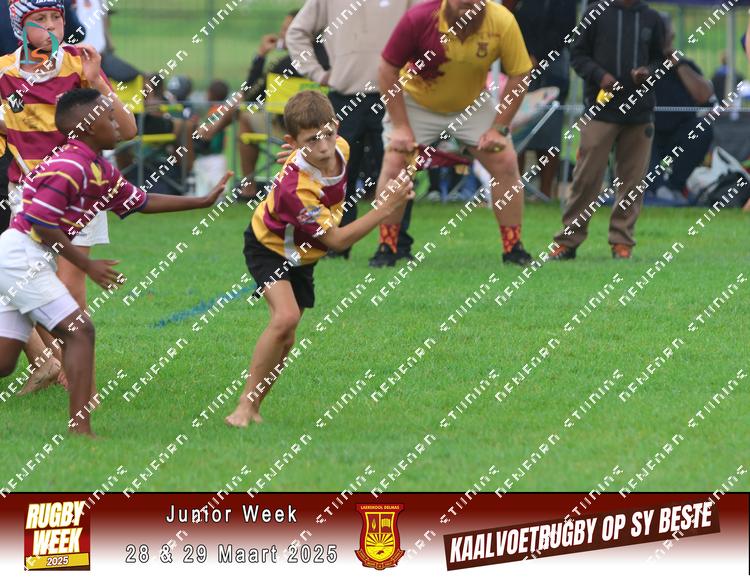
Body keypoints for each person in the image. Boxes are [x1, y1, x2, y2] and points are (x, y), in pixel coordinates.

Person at [0, 88, 232, 436]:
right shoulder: (68, 166)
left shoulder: (98, 168)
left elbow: (141, 201)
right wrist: (87, 265)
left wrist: (200, 201)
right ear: (88, 127)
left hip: (23, 257)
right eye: (110, 118)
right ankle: (82, 430)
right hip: (21, 257)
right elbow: (41, 222)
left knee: (4, 363)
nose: (119, 125)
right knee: (81, 331)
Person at [224, 91, 413, 428]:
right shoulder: (296, 189)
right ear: (292, 141)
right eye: (312, 140)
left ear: (336, 126)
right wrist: (385, 208)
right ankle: (243, 404)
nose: (324, 147)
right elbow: (337, 241)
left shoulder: (342, 148)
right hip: (270, 246)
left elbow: (323, 154)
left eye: (327, 134)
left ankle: (254, 407)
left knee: (288, 336)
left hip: (304, 255)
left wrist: (304, 151)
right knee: (285, 318)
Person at [0, 0, 137, 393]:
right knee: (22, 281)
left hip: (79, 192)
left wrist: (96, 82)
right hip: (27, 196)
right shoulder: (4, 72)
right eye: (39, 20)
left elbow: (128, 130)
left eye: (56, 18)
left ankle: (82, 384)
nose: (50, 27)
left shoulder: (81, 63)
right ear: (20, 28)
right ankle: (53, 360)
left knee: (70, 285)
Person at [365, 0, 535, 268]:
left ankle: (513, 248)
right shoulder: (419, 18)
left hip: (471, 104)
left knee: (505, 161)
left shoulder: (502, 20)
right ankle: (386, 247)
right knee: (396, 162)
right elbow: (387, 68)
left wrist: (499, 128)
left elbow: (520, 73)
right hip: (417, 101)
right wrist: (400, 126)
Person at [286, 0, 419, 260]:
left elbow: (428, 26)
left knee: (397, 172)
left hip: (394, 94)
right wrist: (317, 73)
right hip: (344, 95)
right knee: (335, 173)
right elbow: (296, 33)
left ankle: (394, 245)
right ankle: (336, 243)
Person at [549, 0, 665, 261]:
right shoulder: (595, 13)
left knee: (632, 182)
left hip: (640, 111)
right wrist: (600, 76)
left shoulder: (652, 18)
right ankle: (568, 241)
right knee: (586, 178)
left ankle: (622, 243)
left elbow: (660, 59)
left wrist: (648, 72)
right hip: (600, 109)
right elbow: (577, 54)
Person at [513, 0, 577, 199]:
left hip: (553, 68)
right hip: (520, 62)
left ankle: (546, 193)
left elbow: (565, 31)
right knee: (517, 129)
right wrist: (525, 56)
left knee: (550, 131)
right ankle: (515, 188)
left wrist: (539, 56)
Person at [650, 12, 714, 203]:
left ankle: (674, 187)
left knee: (701, 128)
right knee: (638, 133)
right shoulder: (641, 64)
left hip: (678, 133)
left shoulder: (684, 65)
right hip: (648, 132)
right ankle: (657, 189)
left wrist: (676, 63)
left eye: (666, 33)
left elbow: (704, 95)